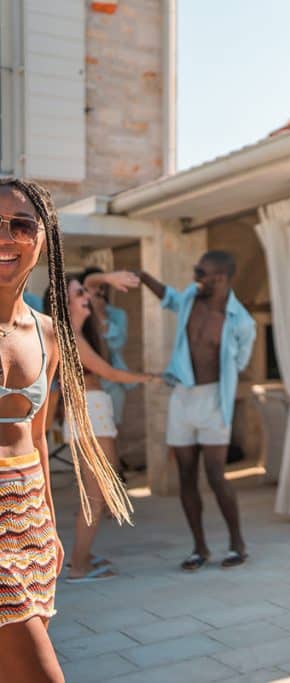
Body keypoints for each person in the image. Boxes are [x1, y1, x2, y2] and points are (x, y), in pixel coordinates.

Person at [0, 177, 132, 682]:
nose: (7, 236)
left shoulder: (50, 334)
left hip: (30, 520)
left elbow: (36, 437)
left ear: (43, 236)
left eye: (21, 224)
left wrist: (51, 527)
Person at [135, 252, 256, 570]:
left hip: (214, 401)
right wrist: (145, 278)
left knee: (217, 476)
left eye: (200, 272)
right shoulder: (191, 297)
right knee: (186, 475)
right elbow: (170, 298)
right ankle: (199, 549)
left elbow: (240, 362)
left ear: (220, 278)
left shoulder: (241, 321)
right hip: (182, 397)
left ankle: (237, 544)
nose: (195, 277)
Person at [47, 272, 157, 582]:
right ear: (64, 302)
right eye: (79, 292)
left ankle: (82, 556)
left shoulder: (76, 332)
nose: (88, 295)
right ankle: (79, 566)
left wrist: (105, 277)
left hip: (91, 411)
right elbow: (108, 371)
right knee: (96, 496)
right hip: (90, 412)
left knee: (96, 494)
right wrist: (151, 378)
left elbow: (93, 284)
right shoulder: (70, 337)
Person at [81, 267, 140, 441]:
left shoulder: (117, 315)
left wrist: (101, 316)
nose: (99, 292)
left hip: (112, 382)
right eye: (95, 288)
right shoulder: (77, 312)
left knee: (111, 430)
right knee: (86, 435)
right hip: (85, 381)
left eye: (103, 288)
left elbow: (117, 344)